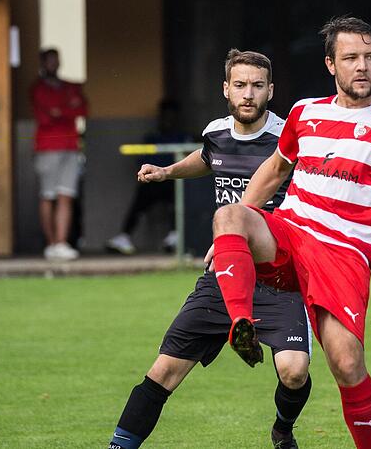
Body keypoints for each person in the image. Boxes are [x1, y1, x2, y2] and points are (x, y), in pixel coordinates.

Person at [209, 17, 371, 448]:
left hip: (342, 256)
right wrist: (236, 236)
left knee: (346, 363)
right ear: (331, 64)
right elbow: (272, 173)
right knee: (229, 215)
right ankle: (241, 325)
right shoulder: (306, 112)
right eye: (351, 58)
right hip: (289, 235)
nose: (362, 66)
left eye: (370, 58)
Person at [108, 49, 312, 449]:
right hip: (224, 276)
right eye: (240, 85)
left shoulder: (289, 138)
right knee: (163, 370)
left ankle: (282, 428)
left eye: (256, 85)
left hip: (276, 278)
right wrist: (167, 171)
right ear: (226, 89)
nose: (248, 94)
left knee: (294, 371)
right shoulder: (216, 131)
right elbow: (207, 158)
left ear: (271, 90)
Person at [106, 100, 192, 255]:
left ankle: (175, 236)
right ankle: (124, 237)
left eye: (171, 117)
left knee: (180, 196)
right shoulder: (152, 138)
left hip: (175, 181)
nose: (167, 121)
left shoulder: (183, 136)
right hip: (154, 181)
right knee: (141, 196)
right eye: (164, 117)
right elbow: (142, 161)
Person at [30, 48, 88, 261]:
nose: (53, 64)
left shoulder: (69, 86)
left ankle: (62, 243)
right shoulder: (38, 88)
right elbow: (46, 117)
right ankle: (51, 243)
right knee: (48, 195)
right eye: (49, 61)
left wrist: (59, 111)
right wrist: (67, 108)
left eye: (56, 60)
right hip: (47, 148)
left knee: (66, 195)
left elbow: (83, 109)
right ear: (43, 63)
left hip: (71, 146)